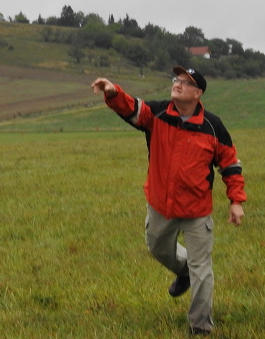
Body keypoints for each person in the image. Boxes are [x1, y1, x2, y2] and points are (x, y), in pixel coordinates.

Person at [91, 67, 246, 336]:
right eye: (177, 80)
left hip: (197, 210)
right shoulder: (158, 114)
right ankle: (183, 271)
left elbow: (230, 163)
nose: (178, 85)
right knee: (157, 248)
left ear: (198, 93)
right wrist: (113, 91)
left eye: (186, 83)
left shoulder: (213, 126)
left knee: (202, 268)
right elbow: (132, 108)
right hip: (160, 204)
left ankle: (201, 326)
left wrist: (236, 200)